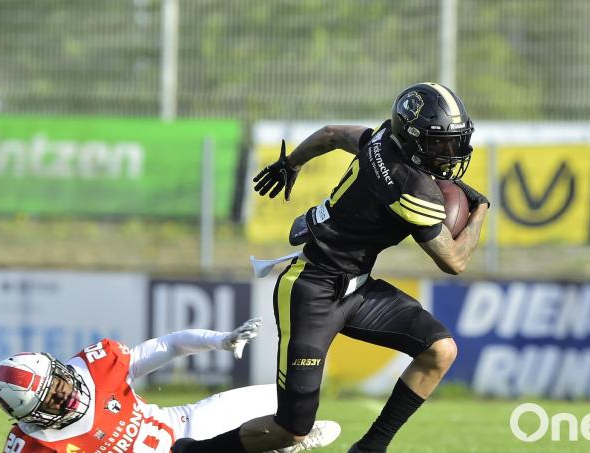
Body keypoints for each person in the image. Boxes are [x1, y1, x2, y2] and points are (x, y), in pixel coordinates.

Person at [176, 82, 489, 453]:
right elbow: (454, 260)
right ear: (415, 139)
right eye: (441, 143)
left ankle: (369, 449)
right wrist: (480, 210)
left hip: (355, 287)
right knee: (290, 431)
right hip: (311, 289)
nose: (452, 152)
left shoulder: (385, 139)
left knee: (440, 350)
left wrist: (291, 162)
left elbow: (331, 134)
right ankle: (192, 452)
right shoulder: (410, 188)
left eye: (456, 141)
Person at [0, 317, 341, 453]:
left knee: (288, 399)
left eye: (58, 382)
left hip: (184, 423)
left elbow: (169, 345)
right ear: (34, 415)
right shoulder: (34, 444)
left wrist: (221, 340)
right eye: (50, 399)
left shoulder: (93, 367)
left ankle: (284, 442)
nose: (64, 393)